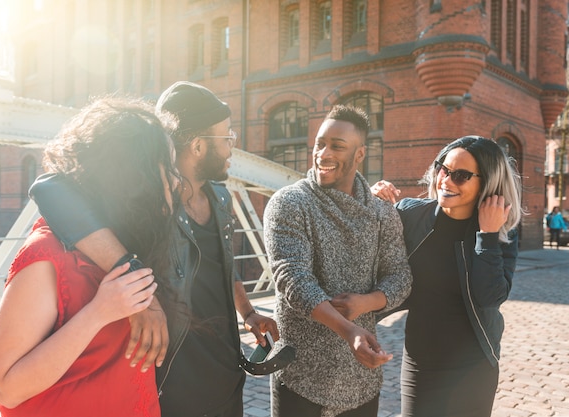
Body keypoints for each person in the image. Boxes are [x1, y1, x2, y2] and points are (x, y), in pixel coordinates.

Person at [28, 81, 279, 417]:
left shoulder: (220, 197)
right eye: (227, 137)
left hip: (226, 377)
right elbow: (50, 188)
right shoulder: (149, 201)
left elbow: (223, 263)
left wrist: (248, 312)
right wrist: (137, 286)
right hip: (171, 382)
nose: (233, 146)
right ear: (199, 146)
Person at [0, 97, 179, 417]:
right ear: (134, 177)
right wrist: (99, 312)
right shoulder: (45, 256)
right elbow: (8, 388)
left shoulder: (130, 245)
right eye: (168, 167)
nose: (176, 180)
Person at [263, 105, 412, 417]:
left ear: (360, 154)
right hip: (299, 377)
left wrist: (367, 302)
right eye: (320, 144)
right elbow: (293, 280)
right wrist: (348, 330)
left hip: (361, 382)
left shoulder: (383, 213)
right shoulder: (289, 203)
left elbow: (400, 277)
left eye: (337, 146)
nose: (323, 154)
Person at [371, 136, 523, 417]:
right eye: (443, 168)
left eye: (461, 176)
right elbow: (368, 258)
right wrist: (370, 204)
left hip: (473, 364)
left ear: (486, 183)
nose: (446, 180)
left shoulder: (501, 229)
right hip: (420, 358)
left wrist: (487, 236)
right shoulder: (410, 214)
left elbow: (489, 297)